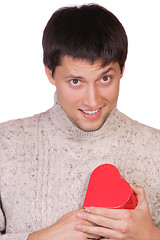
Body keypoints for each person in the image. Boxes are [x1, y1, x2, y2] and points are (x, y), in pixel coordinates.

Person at [0, 3, 160, 240]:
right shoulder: (6, 143)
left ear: (122, 70)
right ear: (50, 73)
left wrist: (151, 235)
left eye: (105, 78)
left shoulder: (155, 148)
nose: (93, 100)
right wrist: (40, 238)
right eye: (76, 81)